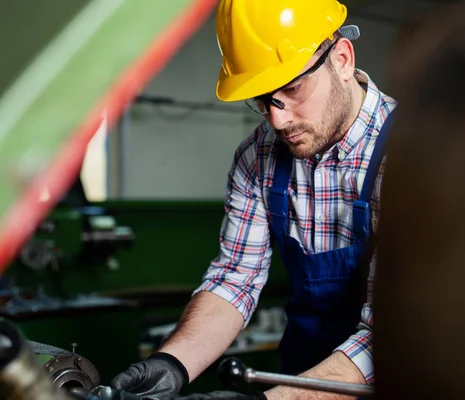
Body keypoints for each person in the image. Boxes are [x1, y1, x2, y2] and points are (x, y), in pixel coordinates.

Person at [111, 0, 397, 398]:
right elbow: (235, 280)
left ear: (343, 59)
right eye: (262, 100)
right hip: (298, 374)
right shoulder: (258, 156)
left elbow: (391, 332)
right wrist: (172, 364)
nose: (278, 119)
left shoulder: (413, 158)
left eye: (292, 89)